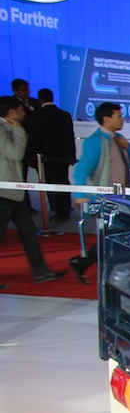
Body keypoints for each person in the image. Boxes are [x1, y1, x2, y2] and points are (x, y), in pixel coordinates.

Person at [68, 102, 130, 284]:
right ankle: (90, 265)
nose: (122, 119)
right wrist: (80, 196)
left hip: (123, 197)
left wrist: (128, 147)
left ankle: (83, 262)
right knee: (112, 234)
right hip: (106, 199)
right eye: (119, 116)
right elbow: (81, 170)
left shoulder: (119, 138)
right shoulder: (95, 142)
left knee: (115, 234)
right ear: (107, 119)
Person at [0, 96, 65, 285]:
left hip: (13, 192)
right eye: (21, 110)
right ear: (11, 112)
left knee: (29, 231)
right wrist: (19, 131)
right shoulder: (3, 129)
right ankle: (41, 272)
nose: (24, 113)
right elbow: (15, 153)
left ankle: (41, 271)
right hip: (4, 192)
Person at [27, 88, 76, 223]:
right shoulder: (64, 115)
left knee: (50, 184)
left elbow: (34, 138)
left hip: (45, 158)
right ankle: (65, 209)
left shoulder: (37, 115)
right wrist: (71, 155)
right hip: (63, 156)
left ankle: (58, 211)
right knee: (63, 181)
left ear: (40, 99)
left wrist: (30, 157)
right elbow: (69, 137)